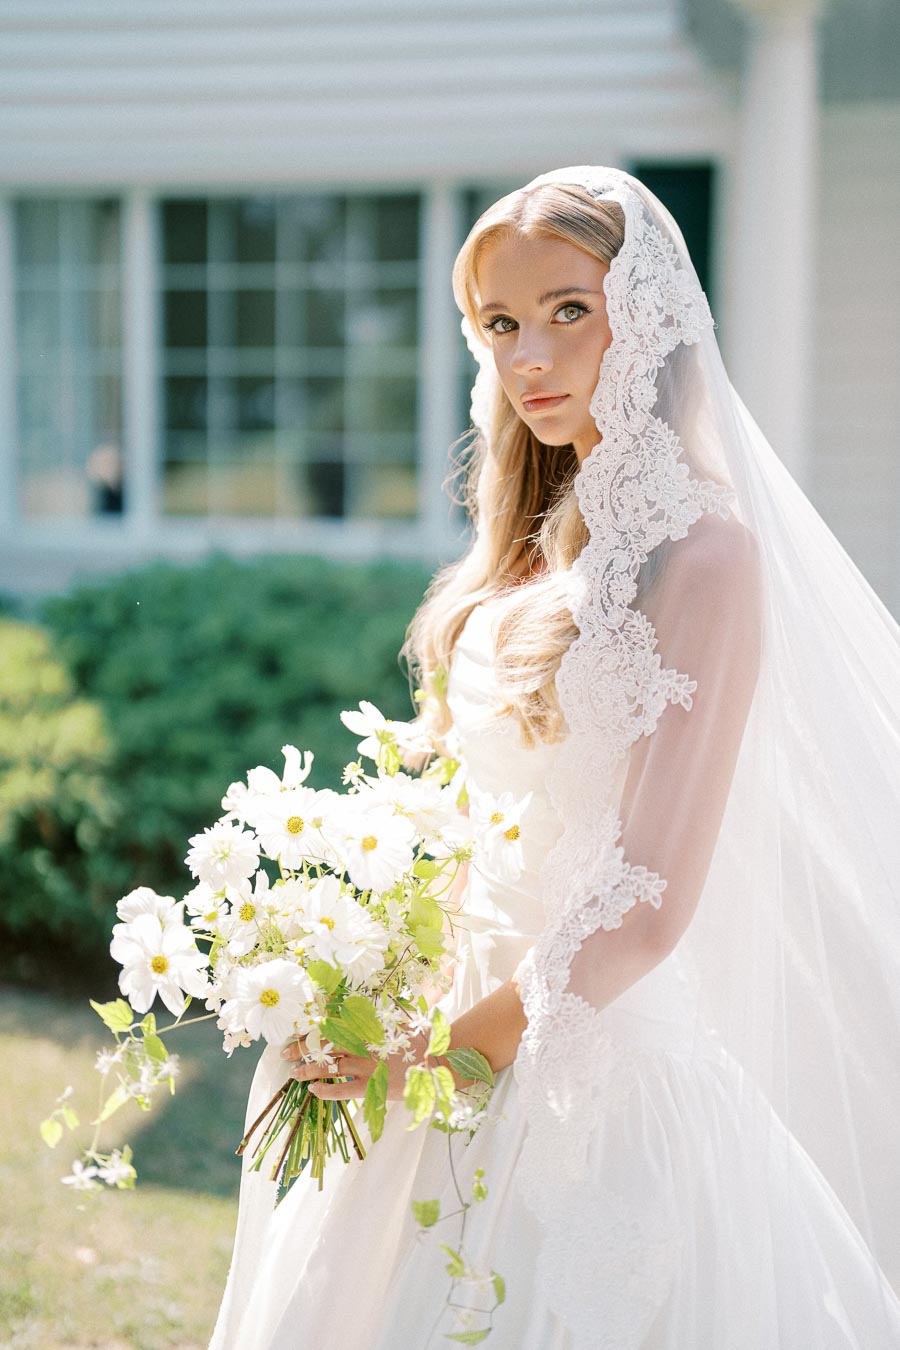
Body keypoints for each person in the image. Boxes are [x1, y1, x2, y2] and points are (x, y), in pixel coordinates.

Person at [210, 166, 900, 1349]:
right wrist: (353, 971)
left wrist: (434, 1058)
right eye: (501, 324)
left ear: (651, 320)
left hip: (590, 1066)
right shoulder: (523, 549)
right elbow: (470, 817)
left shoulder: (704, 555)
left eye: (568, 310)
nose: (530, 355)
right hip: (439, 1016)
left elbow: (643, 907)